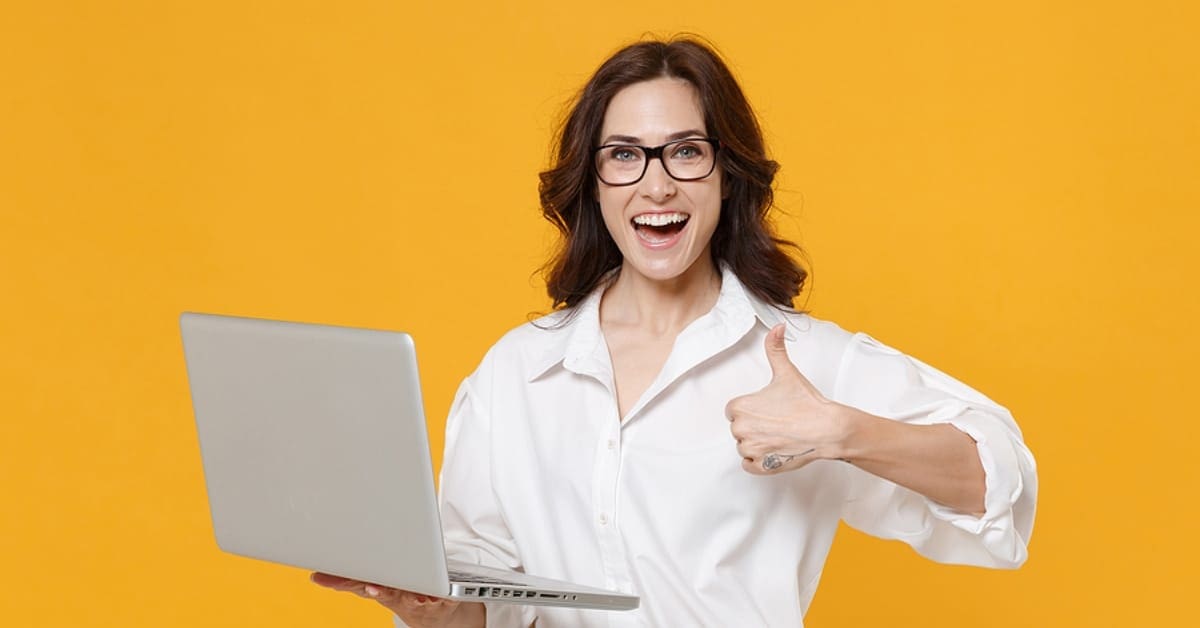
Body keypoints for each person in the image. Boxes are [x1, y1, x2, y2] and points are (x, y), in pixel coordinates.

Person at [312, 36, 1038, 627]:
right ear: (593, 184)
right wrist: (425, 606)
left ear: (729, 176)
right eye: (624, 155)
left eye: (686, 151)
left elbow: (997, 484)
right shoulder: (515, 373)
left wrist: (842, 431)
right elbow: (488, 608)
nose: (656, 185)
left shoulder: (801, 362)